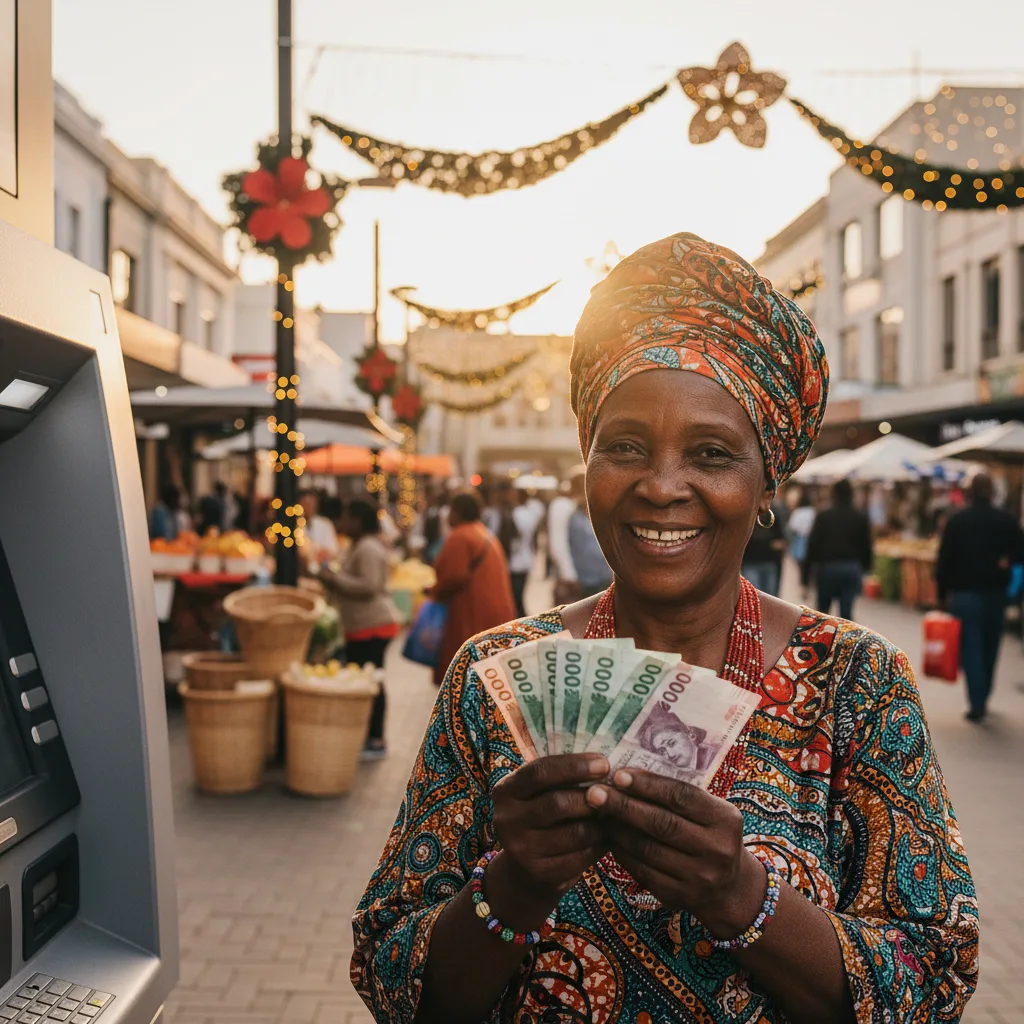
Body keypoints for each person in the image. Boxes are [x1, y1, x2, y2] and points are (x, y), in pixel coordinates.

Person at [352, 233, 977, 1023]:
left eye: (711, 453)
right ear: (588, 462)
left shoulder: (855, 685)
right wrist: (513, 886)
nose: (661, 485)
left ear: (765, 485)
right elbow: (388, 971)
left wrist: (741, 897)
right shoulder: (496, 674)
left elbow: (937, 980)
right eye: (625, 447)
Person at [314, 499, 399, 758]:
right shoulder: (361, 546)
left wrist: (334, 579)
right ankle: (368, 735)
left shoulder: (369, 548)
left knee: (371, 681)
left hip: (371, 625)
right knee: (366, 680)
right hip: (362, 625)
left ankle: (375, 739)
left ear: (359, 520)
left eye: (348, 516)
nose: (343, 522)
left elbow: (369, 585)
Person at [937, 471, 1024, 722]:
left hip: (964, 595)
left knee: (971, 647)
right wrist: (1006, 560)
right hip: (996, 594)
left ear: (970, 492)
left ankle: (977, 702)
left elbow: (945, 560)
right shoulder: (1006, 520)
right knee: (990, 646)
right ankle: (983, 695)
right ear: (992, 492)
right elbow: (1020, 551)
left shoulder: (958, 520)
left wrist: (942, 595)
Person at [428, 491, 516, 688]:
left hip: (471, 613)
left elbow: (453, 577)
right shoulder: (483, 532)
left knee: (465, 676)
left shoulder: (460, 536)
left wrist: (433, 592)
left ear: (457, 512)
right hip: (492, 613)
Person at [802, 478, 873, 619]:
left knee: (822, 614)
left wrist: (805, 576)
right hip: (850, 567)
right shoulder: (860, 516)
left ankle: (823, 640)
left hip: (827, 568)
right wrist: (866, 568)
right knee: (846, 614)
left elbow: (813, 545)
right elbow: (867, 544)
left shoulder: (823, 516)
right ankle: (846, 641)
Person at [548, 467, 585, 602]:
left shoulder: (583, 507)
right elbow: (558, 543)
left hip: (593, 579)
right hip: (573, 580)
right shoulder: (562, 506)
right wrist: (568, 575)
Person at [740, 498, 788, 597]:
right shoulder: (746, 513)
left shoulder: (773, 513)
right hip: (754, 562)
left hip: (765, 561)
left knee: (764, 599)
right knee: (754, 599)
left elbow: (781, 540)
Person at [567, 497, 612, 599]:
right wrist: (569, 573)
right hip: (583, 576)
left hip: (603, 575)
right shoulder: (575, 518)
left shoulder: (602, 516)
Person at [300, 490, 340, 562]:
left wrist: (321, 554)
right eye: (306, 504)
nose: (308, 507)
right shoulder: (294, 525)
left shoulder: (325, 523)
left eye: (311, 504)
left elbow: (332, 549)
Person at [785, 487, 816, 566]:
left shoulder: (797, 512)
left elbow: (792, 526)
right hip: (811, 539)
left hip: (800, 539)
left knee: (800, 562)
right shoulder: (813, 512)